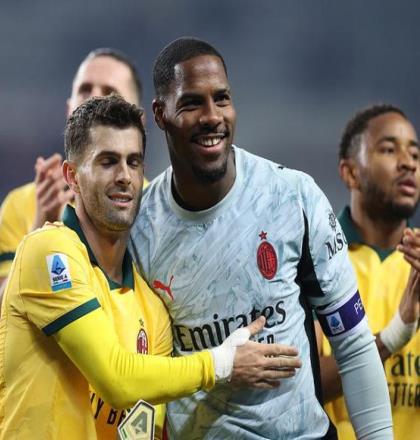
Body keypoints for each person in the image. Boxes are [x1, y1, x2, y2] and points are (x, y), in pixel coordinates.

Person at [0, 95, 302, 440]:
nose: (124, 176)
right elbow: (116, 380)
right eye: (108, 162)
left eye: (133, 162)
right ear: (72, 176)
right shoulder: (49, 252)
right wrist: (221, 363)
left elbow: (141, 425)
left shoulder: (152, 309)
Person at [125, 37, 392, 439]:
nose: (212, 116)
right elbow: (136, 371)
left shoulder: (294, 198)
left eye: (222, 98)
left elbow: (353, 344)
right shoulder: (140, 229)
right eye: (192, 103)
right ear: (160, 114)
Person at [0, 48, 144, 348]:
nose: (93, 99)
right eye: (85, 90)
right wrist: (40, 229)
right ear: (70, 108)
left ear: (137, 118)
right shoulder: (22, 205)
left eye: (109, 93)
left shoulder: (154, 205)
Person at [317, 104, 420, 440]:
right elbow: (304, 386)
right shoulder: (316, 263)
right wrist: (395, 334)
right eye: (389, 150)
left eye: (415, 154)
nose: (408, 163)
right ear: (350, 173)